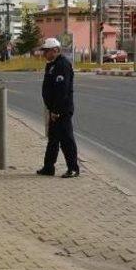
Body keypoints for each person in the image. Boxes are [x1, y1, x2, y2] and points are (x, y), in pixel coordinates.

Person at [36, 38, 80, 178]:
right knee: (53, 140)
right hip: (54, 110)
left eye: (46, 51)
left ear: (55, 50)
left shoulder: (62, 65)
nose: (44, 54)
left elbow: (62, 91)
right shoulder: (52, 65)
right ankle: (49, 167)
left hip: (62, 110)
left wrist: (56, 111)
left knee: (66, 140)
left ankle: (73, 168)